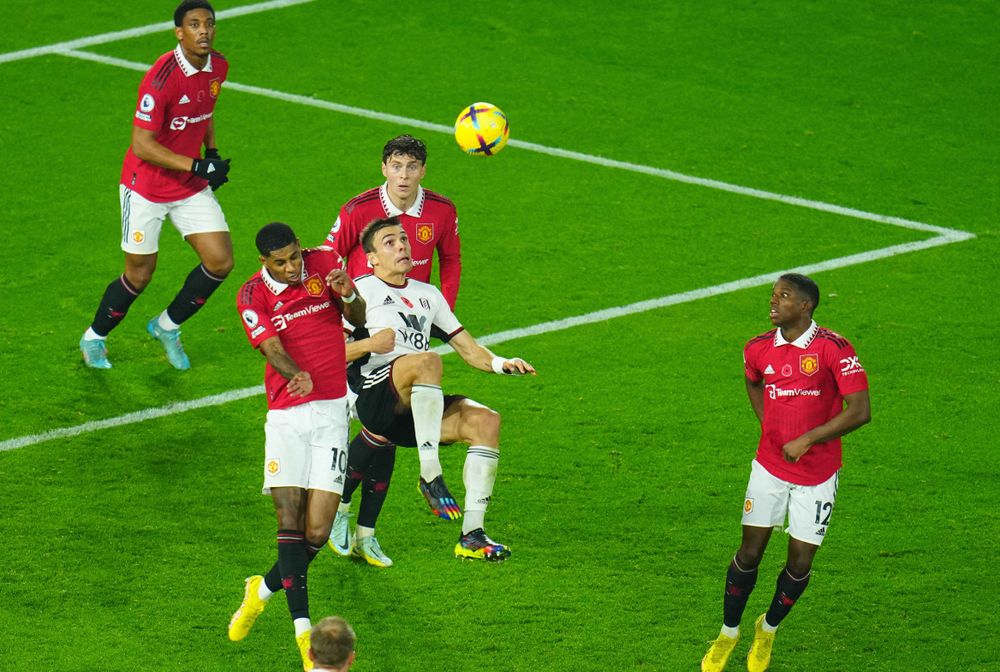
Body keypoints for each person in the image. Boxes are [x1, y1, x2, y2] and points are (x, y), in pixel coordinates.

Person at [701, 273, 871, 672]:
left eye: (784, 296)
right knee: (749, 552)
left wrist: (807, 439)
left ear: (806, 305)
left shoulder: (835, 348)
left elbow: (860, 411)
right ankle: (728, 634)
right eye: (773, 295)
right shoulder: (757, 348)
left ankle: (768, 629)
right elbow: (753, 382)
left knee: (799, 564)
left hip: (818, 475)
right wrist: (770, 426)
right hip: (769, 468)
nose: (773, 302)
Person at [346, 216, 534, 562]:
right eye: (390, 242)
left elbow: (468, 348)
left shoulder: (427, 295)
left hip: (418, 403)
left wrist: (501, 363)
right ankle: (430, 472)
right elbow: (330, 353)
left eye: (403, 239)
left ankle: (472, 535)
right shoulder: (359, 294)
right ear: (371, 257)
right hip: (371, 395)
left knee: (486, 421)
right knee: (427, 361)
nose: (402, 246)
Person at [227, 222, 366, 672]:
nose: (291, 268)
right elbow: (269, 345)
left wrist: (347, 294)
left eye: (293, 257)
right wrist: (293, 373)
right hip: (287, 416)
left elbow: (360, 319)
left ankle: (260, 589)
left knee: (318, 533)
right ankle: (303, 635)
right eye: (280, 262)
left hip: (331, 414)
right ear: (263, 262)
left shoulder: (324, 263)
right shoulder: (251, 295)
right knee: (289, 521)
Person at [323, 135, 462, 567]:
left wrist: (441, 314)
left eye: (412, 167)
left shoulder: (441, 210)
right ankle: (342, 514)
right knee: (379, 427)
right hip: (367, 336)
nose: (404, 176)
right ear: (384, 167)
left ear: (423, 170)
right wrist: (343, 314)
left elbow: (451, 260)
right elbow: (329, 256)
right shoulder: (358, 209)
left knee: (387, 430)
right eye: (396, 166)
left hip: (410, 335)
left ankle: (365, 531)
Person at [79, 0, 233, 371]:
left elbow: (205, 111)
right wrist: (197, 163)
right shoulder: (161, 78)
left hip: (189, 184)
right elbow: (142, 145)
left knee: (220, 261)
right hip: (145, 187)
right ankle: (94, 337)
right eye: (194, 24)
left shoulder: (219, 66)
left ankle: (166, 327)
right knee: (140, 273)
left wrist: (211, 152)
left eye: (208, 23)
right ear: (179, 33)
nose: (203, 31)